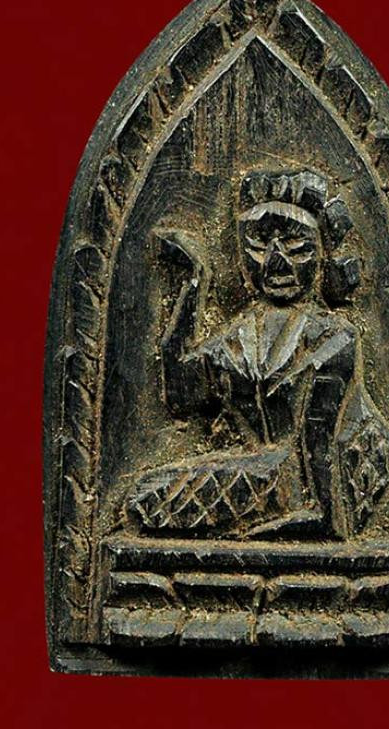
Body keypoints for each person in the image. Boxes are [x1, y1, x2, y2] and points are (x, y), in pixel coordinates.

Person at [129, 169, 366, 539]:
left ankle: (291, 512)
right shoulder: (239, 337)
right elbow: (180, 394)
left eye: (297, 246)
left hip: (306, 485)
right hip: (256, 473)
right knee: (146, 494)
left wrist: (318, 516)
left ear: (324, 255)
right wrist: (194, 281)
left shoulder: (335, 338)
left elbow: (320, 445)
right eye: (258, 246)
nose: (276, 263)